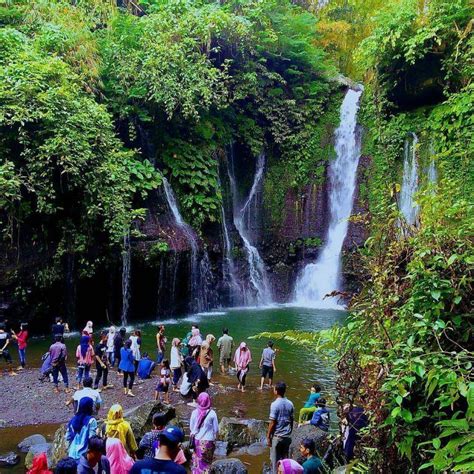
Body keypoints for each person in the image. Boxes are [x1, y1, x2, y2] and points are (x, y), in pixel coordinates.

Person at [267, 381, 294, 474]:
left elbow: (272, 422)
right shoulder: (290, 403)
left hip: (278, 437)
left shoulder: (274, 404)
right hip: (287, 437)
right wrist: (290, 431)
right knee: (286, 463)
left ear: (276, 391)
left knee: (275, 463)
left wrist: (268, 437)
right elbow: (291, 420)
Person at [190, 392, 219, 473]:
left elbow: (192, 428)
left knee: (197, 462)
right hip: (208, 442)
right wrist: (216, 440)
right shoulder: (212, 413)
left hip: (197, 441)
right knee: (207, 463)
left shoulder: (194, 412)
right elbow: (216, 429)